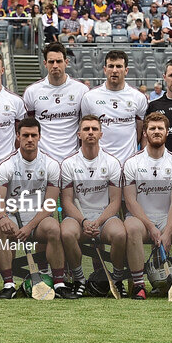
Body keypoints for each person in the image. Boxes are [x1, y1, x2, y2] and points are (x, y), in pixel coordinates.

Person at [0, 118, 74, 299]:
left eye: (33, 135)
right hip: (13, 216)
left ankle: (59, 283)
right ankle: (8, 284)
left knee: (54, 227)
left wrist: (29, 227)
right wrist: (3, 217)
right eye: (25, 135)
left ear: (39, 137)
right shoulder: (6, 165)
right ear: (18, 137)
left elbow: (50, 204)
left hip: (39, 218)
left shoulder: (51, 164)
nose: (29, 139)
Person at [122, 112, 172, 300]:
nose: (156, 132)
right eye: (152, 128)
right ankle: (139, 285)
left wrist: (168, 231)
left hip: (167, 218)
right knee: (131, 228)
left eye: (160, 128)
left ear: (167, 133)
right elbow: (131, 201)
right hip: (140, 219)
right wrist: (150, 226)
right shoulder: (132, 163)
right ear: (145, 133)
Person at [60, 114, 125, 296]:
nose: (90, 132)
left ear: (101, 134)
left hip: (105, 216)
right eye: (86, 129)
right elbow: (66, 201)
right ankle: (79, 279)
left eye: (94, 129)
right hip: (78, 216)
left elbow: (115, 201)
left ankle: (118, 278)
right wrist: (84, 221)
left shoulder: (112, 163)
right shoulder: (68, 164)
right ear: (79, 134)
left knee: (120, 234)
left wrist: (98, 221)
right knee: (66, 232)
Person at [80, 50, 148, 162]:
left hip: (128, 162)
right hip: (99, 162)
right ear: (105, 69)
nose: (115, 70)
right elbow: (84, 131)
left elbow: (140, 130)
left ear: (126, 70)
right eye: (111, 66)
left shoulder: (138, 97)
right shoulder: (90, 97)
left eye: (119, 66)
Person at [23, 43, 87, 161]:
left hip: (72, 158)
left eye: (59, 61)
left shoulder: (81, 90)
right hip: (42, 158)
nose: (55, 65)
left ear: (66, 62)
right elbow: (28, 128)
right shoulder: (32, 91)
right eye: (51, 62)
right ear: (45, 64)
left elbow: (86, 126)